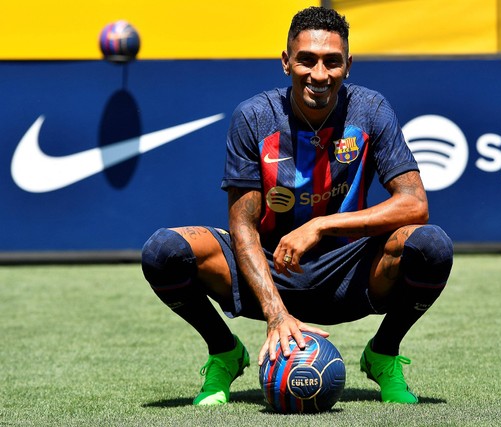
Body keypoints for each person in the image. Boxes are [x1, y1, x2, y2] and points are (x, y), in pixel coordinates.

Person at [141, 6, 453, 406]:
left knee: (432, 246)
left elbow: (414, 203)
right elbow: (242, 227)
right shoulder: (254, 117)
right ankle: (223, 350)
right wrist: (275, 313)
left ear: (348, 65)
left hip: (349, 271)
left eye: (332, 62)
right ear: (286, 62)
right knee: (163, 252)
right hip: (271, 268)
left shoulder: (371, 110)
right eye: (307, 60)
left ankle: (383, 354)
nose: (319, 74)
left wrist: (322, 226)